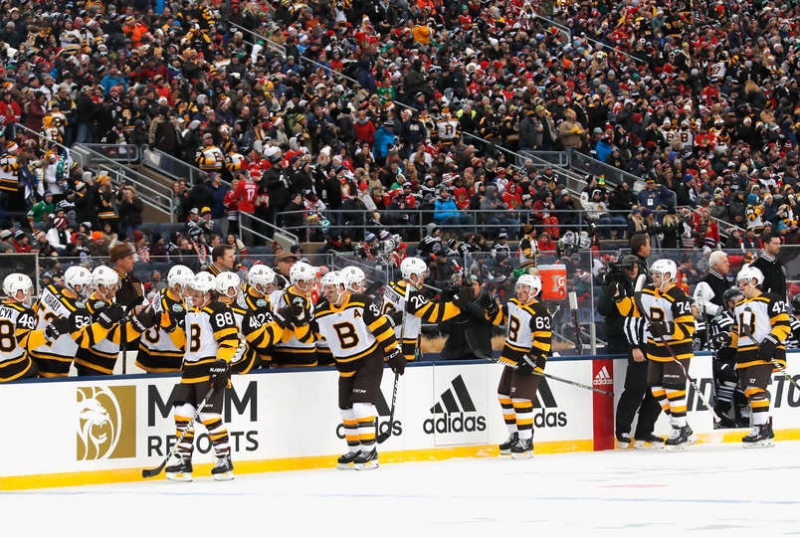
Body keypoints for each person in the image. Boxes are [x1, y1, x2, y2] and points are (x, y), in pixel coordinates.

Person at [312, 271, 403, 470]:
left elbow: (381, 327)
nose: (326, 292)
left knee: (361, 405)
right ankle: (355, 449)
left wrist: (393, 351)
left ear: (343, 288)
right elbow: (311, 336)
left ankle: (369, 451)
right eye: (325, 288)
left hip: (368, 360)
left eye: (331, 289)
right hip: (344, 366)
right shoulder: (321, 311)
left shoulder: (362, 302)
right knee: (345, 408)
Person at [165, 272, 240, 481]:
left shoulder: (219, 310)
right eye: (192, 292)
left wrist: (222, 363)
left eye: (197, 293)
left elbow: (229, 340)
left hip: (209, 371)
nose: (192, 295)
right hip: (189, 372)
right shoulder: (191, 312)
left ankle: (224, 461)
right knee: (181, 414)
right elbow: (185, 344)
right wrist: (170, 328)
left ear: (208, 293)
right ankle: (183, 461)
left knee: (209, 417)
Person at [600, 254, 664, 449]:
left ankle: (645, 432)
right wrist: (635, 345)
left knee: (658, 392)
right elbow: (630, 321)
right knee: (635, 389)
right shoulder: (639, 292)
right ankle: (622, 431)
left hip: (659, 349)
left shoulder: (663, 294)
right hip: (642, 347)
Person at [485, 273, 552, 458]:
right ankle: (515, 435)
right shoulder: (514, 303)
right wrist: (491, 309)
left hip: (529, 361)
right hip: (511, 358)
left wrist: (531, 359)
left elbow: (544, 340)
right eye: (520, 287)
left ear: (534, 291)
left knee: (521, 399)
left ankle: (526, 439)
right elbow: (500, 319)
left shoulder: (539, 311)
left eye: (525, 288)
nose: (521, 290)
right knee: (504, 396)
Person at [729, 266, 791, 446]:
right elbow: (736, 332)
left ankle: (761, 428)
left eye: (743, 283)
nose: (740, 286)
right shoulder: (739, 305)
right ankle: (764, 428)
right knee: (749, 391)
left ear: (753, 281)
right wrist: (727, 341)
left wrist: (771, 341)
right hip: (745, 355)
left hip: (763, 354)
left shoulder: (772, 299)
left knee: (756, 390)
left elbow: (783, 325)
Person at [639, 259, 696, 447]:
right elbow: (632, 309)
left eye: (658, 275)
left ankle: (679, 430)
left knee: (673, 388)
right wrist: (618, 297)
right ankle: (683, 426)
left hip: (677, 350)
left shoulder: (678, 296)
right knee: (656, 390)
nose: (653, 277)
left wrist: (665, 327)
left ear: (669, 277)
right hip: (656, 349)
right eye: (653, 274)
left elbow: (688, 328)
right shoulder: (647, 291)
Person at [73, 266, 156, 376]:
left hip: (100, 365)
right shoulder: (97, 306)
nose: (117, 288)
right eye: (113, 286)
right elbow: (116, 335)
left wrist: (139, 322)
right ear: (102, 287)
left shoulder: (106, 304)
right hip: (92, 366)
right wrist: (139, 324)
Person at [382, 257, 465, 362]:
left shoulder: (392, 285)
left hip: (387, 345)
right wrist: (457, 305)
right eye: (421, 275)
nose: (423, 279)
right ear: (413, 276)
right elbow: (435, 314)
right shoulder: (410, 296)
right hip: (402, 351)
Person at [29, 266, 93, 378]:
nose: (89, 289)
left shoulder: (50, 289)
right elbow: (84, 341)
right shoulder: (79, 311)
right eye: (86, 286)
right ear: (77, 287)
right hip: (55, 361)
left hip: (33, 350)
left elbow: (33, 310)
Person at [135, 265, 193, 374]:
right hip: (164, 360)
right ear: (177, 287)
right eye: (188, 286)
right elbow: (184, 339)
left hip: (153, 352)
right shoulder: (173, 309)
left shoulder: (164, 292)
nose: (191, 289)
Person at [708, 287, 747, 428]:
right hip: (724, 359)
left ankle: (743, 411)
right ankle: (722, 410)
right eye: (740, 300)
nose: (744, 302)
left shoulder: (746, 316)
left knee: (748, 373)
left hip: (743, 356)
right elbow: (714, 344)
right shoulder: (719, 320)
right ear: (730, 303)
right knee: (732, 374)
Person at [0, 274, 49, 381]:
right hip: (17, 368)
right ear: (19, 293)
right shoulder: (25, 312)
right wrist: (50, 332)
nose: (30, 293)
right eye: (27, 290)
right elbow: (27, 342)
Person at [269, 261, 318, 367]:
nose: (313, 282)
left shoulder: (294, 291)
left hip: (288, 350)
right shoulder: (297, 302)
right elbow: (304, 335)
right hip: (296, 353)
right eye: (310, 280)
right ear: (301, 282)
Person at [440, 274, 494, 361]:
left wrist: (463, 300)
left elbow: (482, 315)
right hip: (454, 354)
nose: (471, 287)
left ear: (481, 287)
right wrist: (445, 301)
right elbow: (444, 328)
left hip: (479, 354)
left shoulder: (487, 300)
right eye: (467, 285)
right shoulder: (456, 302)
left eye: (474, 284)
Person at [750, 230, 787, 304]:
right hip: (765, 308)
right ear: (766, 244)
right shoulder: (756, 266)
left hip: (781, 308)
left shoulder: (779, 263)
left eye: (779, 243)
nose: (778, 246)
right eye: (775, 243)